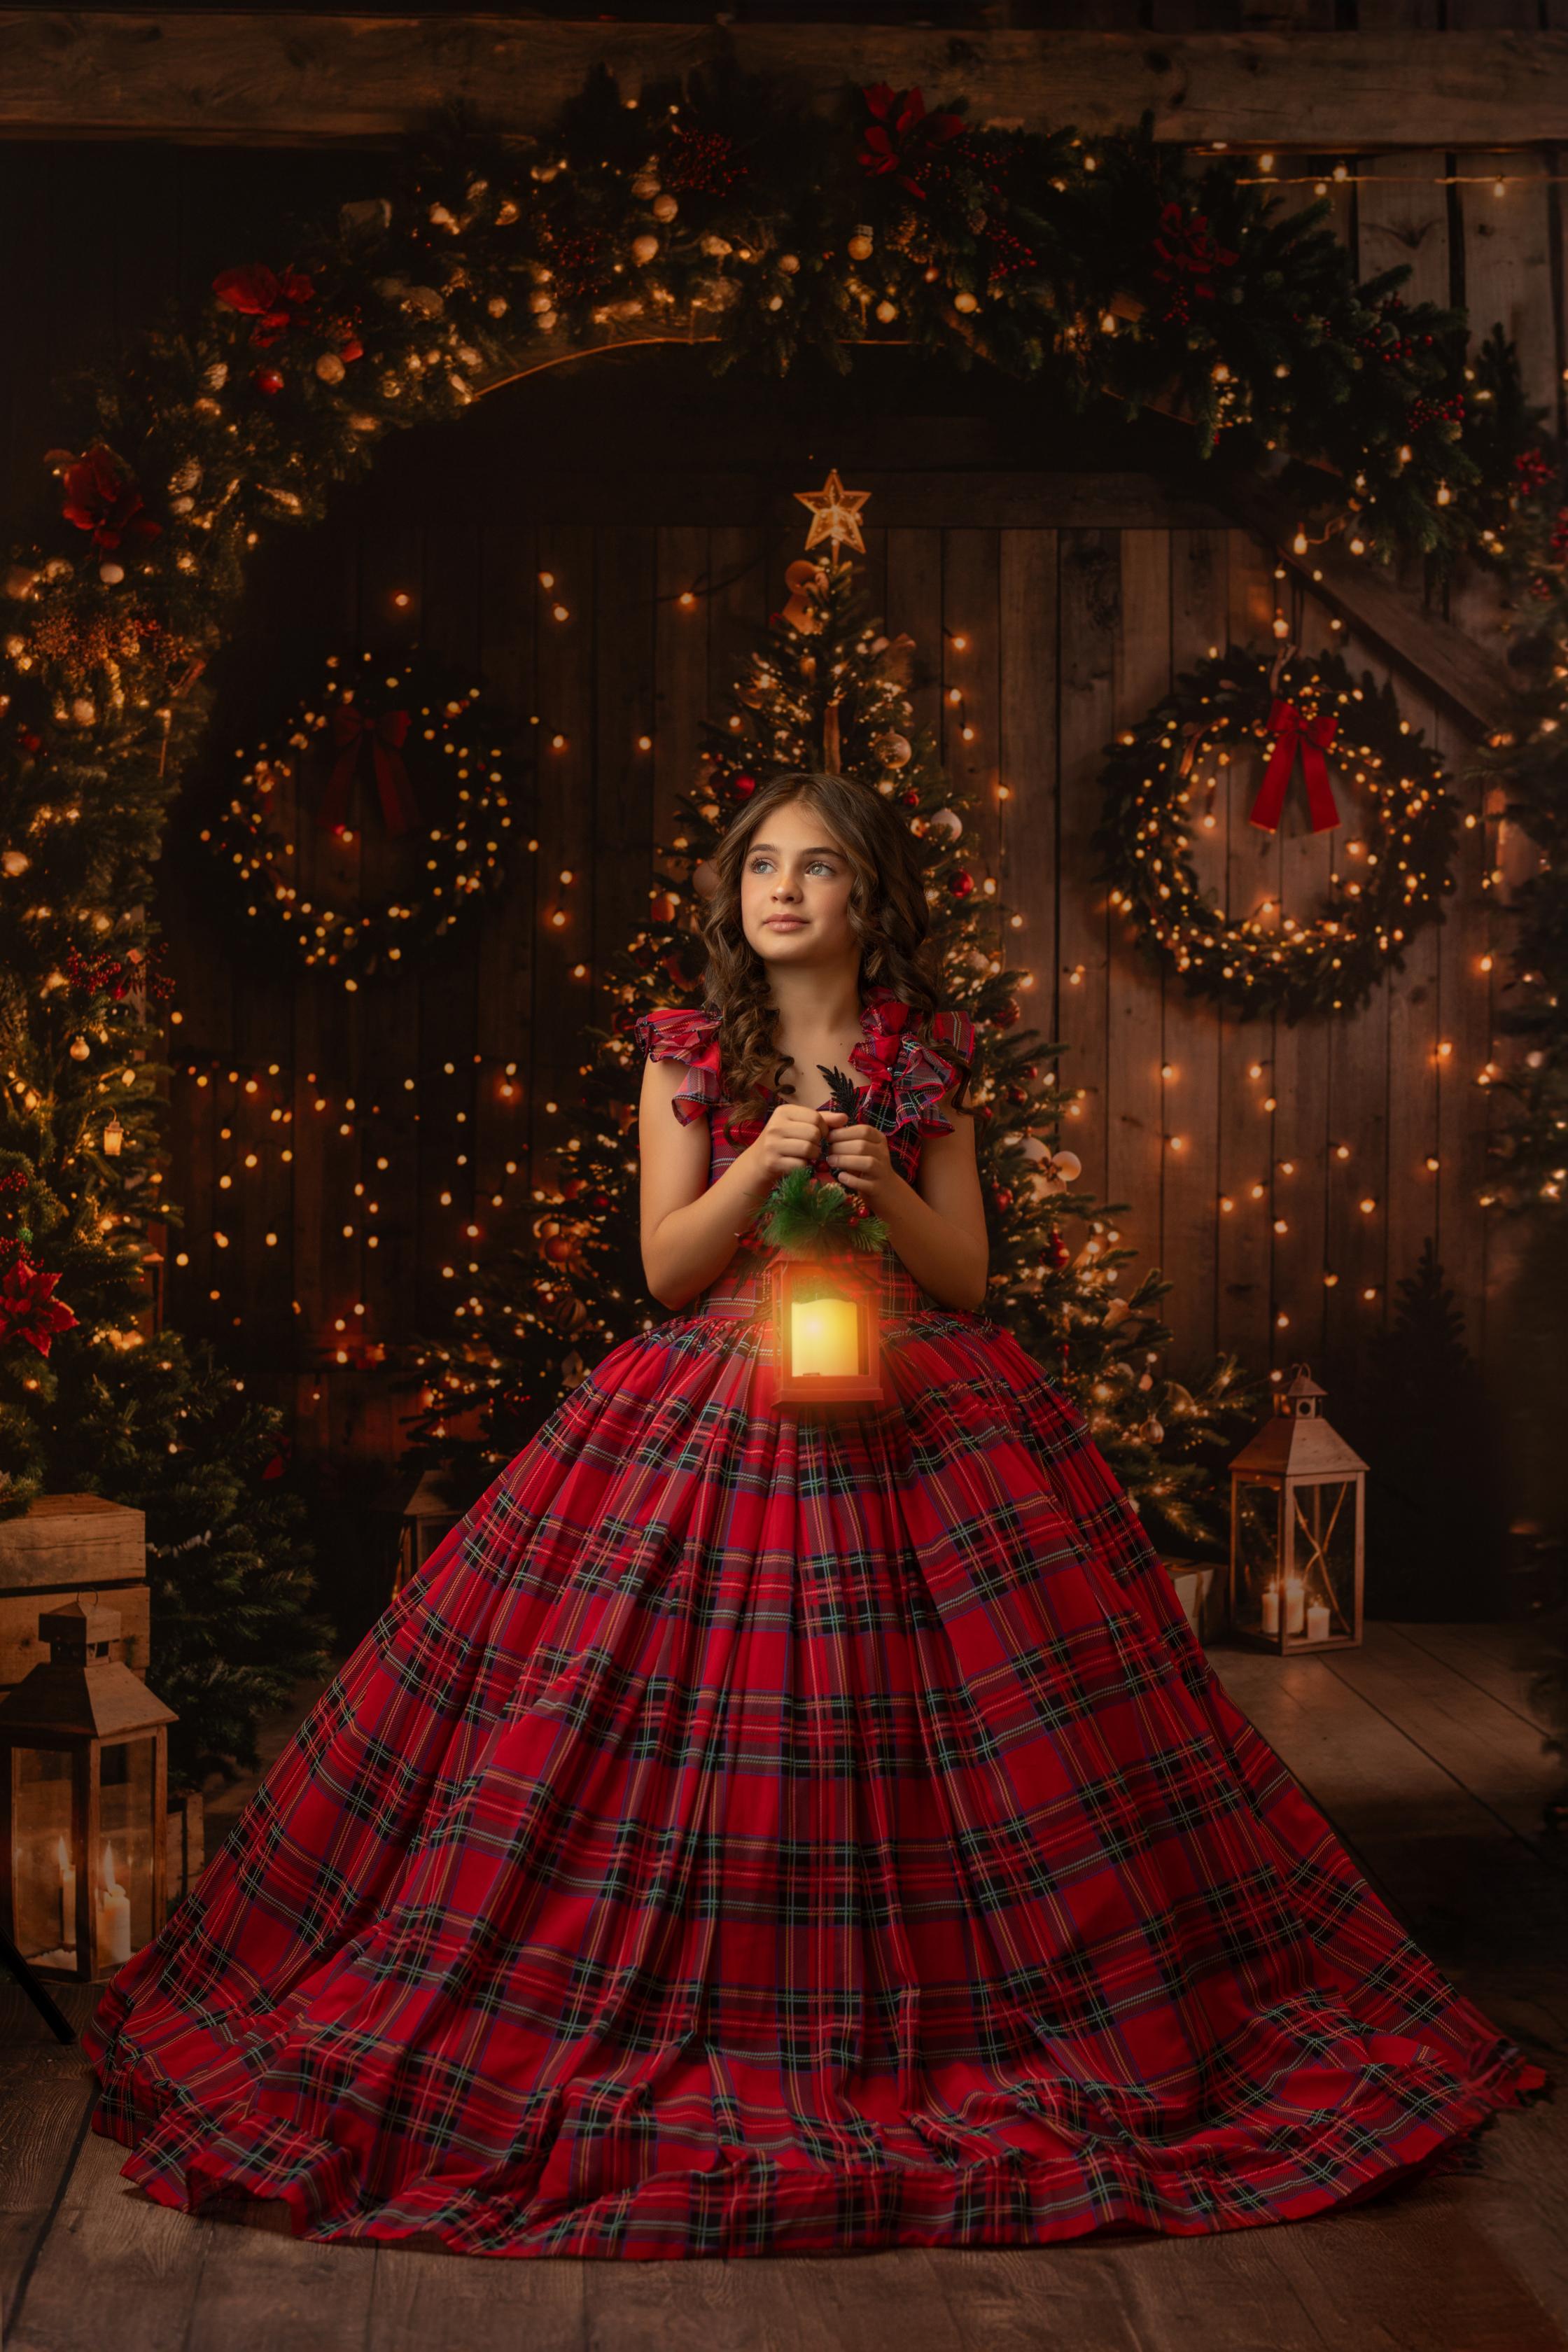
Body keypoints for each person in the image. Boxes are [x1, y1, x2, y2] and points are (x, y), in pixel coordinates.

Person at [83, 767, 1548, 2261]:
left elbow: (965, 1274)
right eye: (759, 866)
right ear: (733, 897)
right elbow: (665, 1271)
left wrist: (873, 1171)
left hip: (920, 1400)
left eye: (819, 868)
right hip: (714, 1395)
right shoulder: (684, 1055)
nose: (781, 890)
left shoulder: (928, 1063)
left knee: (969, 1733)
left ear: (869, 899)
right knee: (669, 1714)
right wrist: (760, 1161)